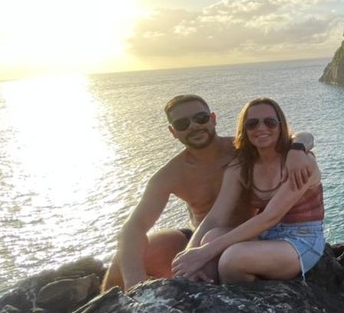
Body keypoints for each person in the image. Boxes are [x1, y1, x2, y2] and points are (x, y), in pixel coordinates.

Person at [102, 94, 316, 291]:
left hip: (251, 234)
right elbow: (134, 227)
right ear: (173, 131)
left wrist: (298, 147)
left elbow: (289, 136)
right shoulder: (171, 174)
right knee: (122, 260)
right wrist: (135, 285)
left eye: (201, 118)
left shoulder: (243, 149)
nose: (194, 126)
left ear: (213, 119)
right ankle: (114, 312)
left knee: (227, 257)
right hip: (203, 237)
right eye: (182, 123)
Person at [172, 96, 325, 283]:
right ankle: (204, 290)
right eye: (252, 124)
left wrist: (204, 253)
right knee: (211, 236)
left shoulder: (300, 162)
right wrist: (190, 255)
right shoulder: (242, 166)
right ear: (244, 129)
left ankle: (246, 305)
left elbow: (270, 216)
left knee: (231, 259)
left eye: (270, 122)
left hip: (300, 240)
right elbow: (215, 217)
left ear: (281, 125)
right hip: (266, 236)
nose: (261, 128)